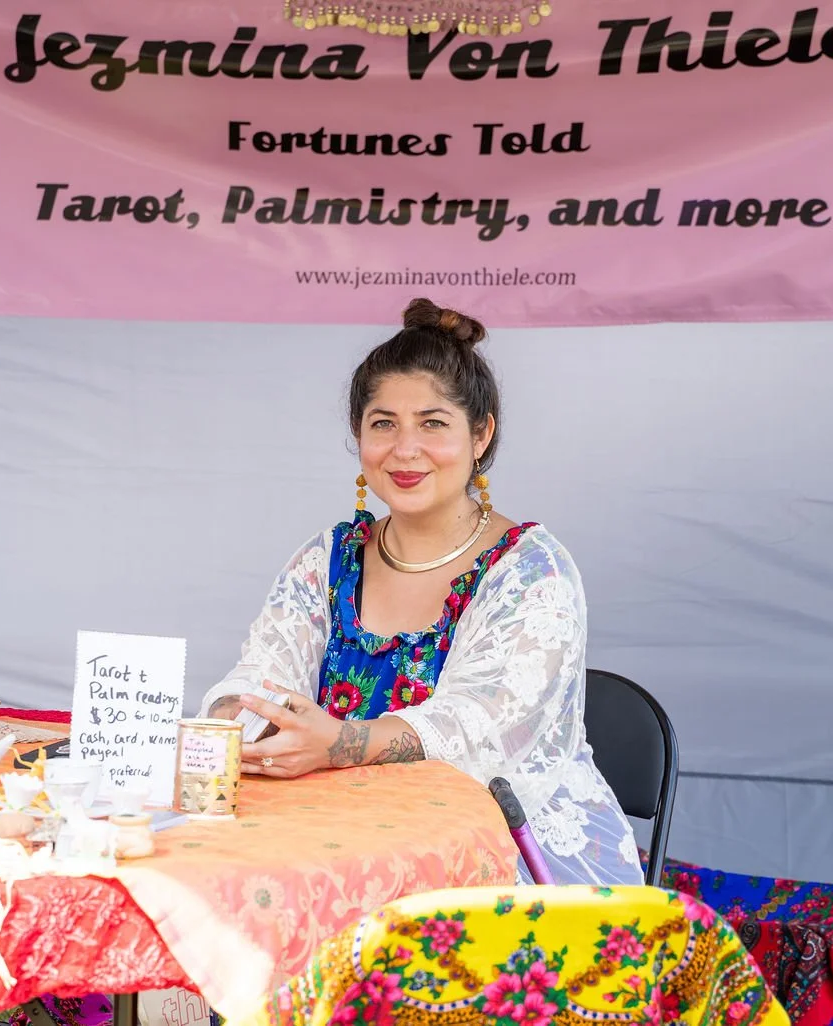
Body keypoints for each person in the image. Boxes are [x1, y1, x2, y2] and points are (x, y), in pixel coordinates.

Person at [200, 298, 642, 886]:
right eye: (383, 423)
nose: (404, 450)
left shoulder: (530, 570)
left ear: (480, 434)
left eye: (433, 423)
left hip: (501, 854)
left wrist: (336, 743)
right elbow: (262, 673)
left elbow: (476, 730)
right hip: (346, 838)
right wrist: (239, 722)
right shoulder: (329, 558)